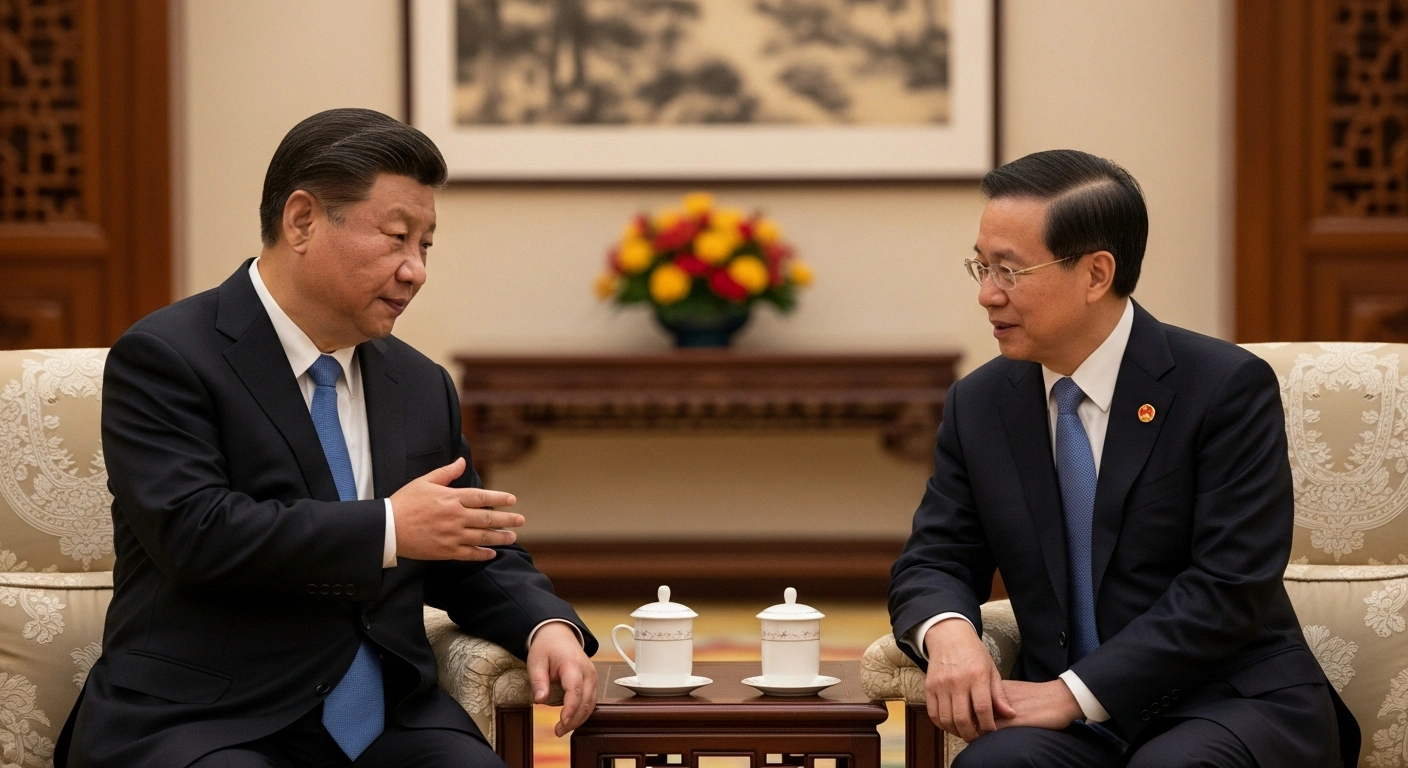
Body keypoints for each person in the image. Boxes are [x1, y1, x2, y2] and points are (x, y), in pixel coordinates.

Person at [57, 108, 598, 767]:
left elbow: (470, 545)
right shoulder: (168, 357)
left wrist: (546, 624)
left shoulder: (420, 384)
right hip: (207, 719)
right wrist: (390, 530)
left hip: (388, 724)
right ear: (303, 220)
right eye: (397, 238)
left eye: (425, 245)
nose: (416, 270)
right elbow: (194, 532)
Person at [888, 149, 1359, 767]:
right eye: (981, 266)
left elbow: (1229, 587)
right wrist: (949, 632)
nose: (986, 294)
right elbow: (935, 555)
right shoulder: (981, 404)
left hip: (1225, 700)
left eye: (1009, 270)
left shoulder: (1222, 386)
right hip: (1069, 720)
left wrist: (1074, 694)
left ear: (1095, 274)